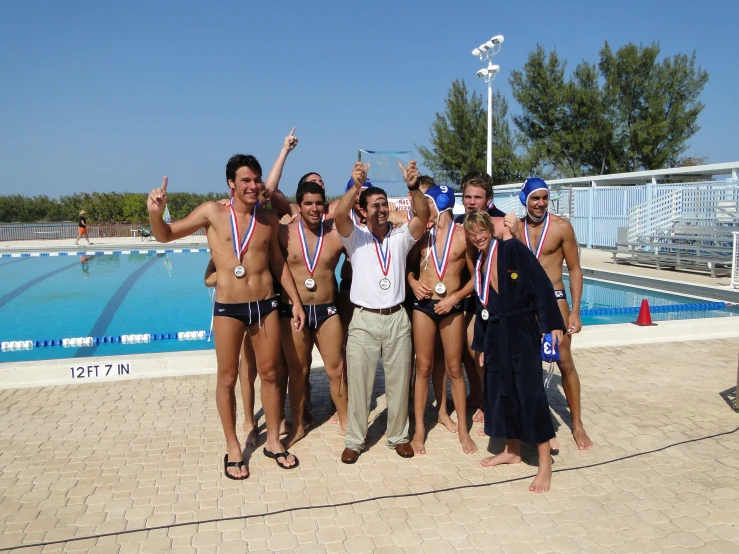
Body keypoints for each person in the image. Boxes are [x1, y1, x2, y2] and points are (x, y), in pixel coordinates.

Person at [147, 154, 305, 480]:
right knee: (227, 378)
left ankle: (273, 440)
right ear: (231, 183)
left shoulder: (268, 219)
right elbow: (165, 235)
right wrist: (155, 213)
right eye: (245, 180)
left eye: (256, 179)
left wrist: (296, 301)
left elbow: (277, 262)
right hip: (229, 308)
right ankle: (233, 446)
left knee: (272, 374)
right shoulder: (212, 213)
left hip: (265, 305)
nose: (252, 185)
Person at [334, 161, 430, 464]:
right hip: (363, 318)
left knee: (400, 381)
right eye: (374, 205)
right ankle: (355, 439)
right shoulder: (355, 237)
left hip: (397, 317)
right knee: (360, 382)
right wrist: (356, 185)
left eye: (384, 205)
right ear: (362, 210)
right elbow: (338, 214)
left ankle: (398, 436)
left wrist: (413, 187)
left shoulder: (400, 236)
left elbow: (423, 216)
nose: (381, 210)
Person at [464, 210, 565, 493]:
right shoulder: (480, 265)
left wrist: (551, 324)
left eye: (481, 230)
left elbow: (541, 282)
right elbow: (482, 309)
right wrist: (482, 345)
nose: (478, 237)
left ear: (490, 229)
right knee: (502, 391)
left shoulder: (512, 249)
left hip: (521, 329)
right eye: (472, 234)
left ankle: (545, 464)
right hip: (497, 332)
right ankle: (512, 450)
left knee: (530, 392)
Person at [507, 178, 593, 451]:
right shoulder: (514, 228)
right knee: (528, 365)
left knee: (565, 361)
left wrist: (576, 311)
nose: (541, 203)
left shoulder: (561, 227)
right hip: (525, 302)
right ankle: (541, 427)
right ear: (525, 200)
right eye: (535, 198)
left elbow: (575, 269)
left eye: (544, 198)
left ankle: (577, 424)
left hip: (555, 299)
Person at [407, 185, 477, 455]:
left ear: (438, 204)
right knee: (423, 367)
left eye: (426, 203)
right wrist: (413, 283)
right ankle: (419, 431)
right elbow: (407, 269)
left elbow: (476, 277)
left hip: (452, 307)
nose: (422, 209)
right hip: (423, 306)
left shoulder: (463, 237)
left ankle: (462, 431)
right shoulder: (421, 236)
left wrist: (455, 297)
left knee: (455, 368)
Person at [278, 180, 348, 446]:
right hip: (294, 311)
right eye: (308, 203)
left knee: (337, 369)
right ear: (299, 205)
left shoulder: (336, 233)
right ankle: (298, 425)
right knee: (298, 372)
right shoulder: (283, 232)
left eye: (319, 203)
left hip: (327, 310)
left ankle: (345, 421)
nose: (314, 208)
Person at [453, 171, 503, 429]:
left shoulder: (500, 223)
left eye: (477, 197)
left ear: (488, 199)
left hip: (492, 301)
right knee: (468, 353)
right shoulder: (457, 222)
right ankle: (479, 395)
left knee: (486, 356)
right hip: (469, 299)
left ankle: (489, 403)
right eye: (467, 196)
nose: (471, 201)